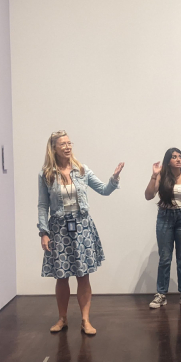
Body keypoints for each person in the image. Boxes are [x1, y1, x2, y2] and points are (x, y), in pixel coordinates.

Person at [38, 131, 124, 335]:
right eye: (63, 144)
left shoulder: (81, 170)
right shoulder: (47, 174)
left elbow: (103, 189)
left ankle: (85, 320)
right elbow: (43, 205)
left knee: (83, 275)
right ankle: (62, 318)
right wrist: (43, 232)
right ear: (54, 148)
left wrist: (114, 178)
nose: (68, 147)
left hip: (82, 227)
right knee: (62, 276)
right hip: (59, 229)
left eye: (69, 143)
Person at [144, 147, 181, 309]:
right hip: (165, 216)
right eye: (174, 157)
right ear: (168, 160)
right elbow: (148, 195)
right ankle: (161, 294)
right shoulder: (162, 176)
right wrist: (154, 175)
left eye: (180, 156)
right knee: (165, 258)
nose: (178, 159)